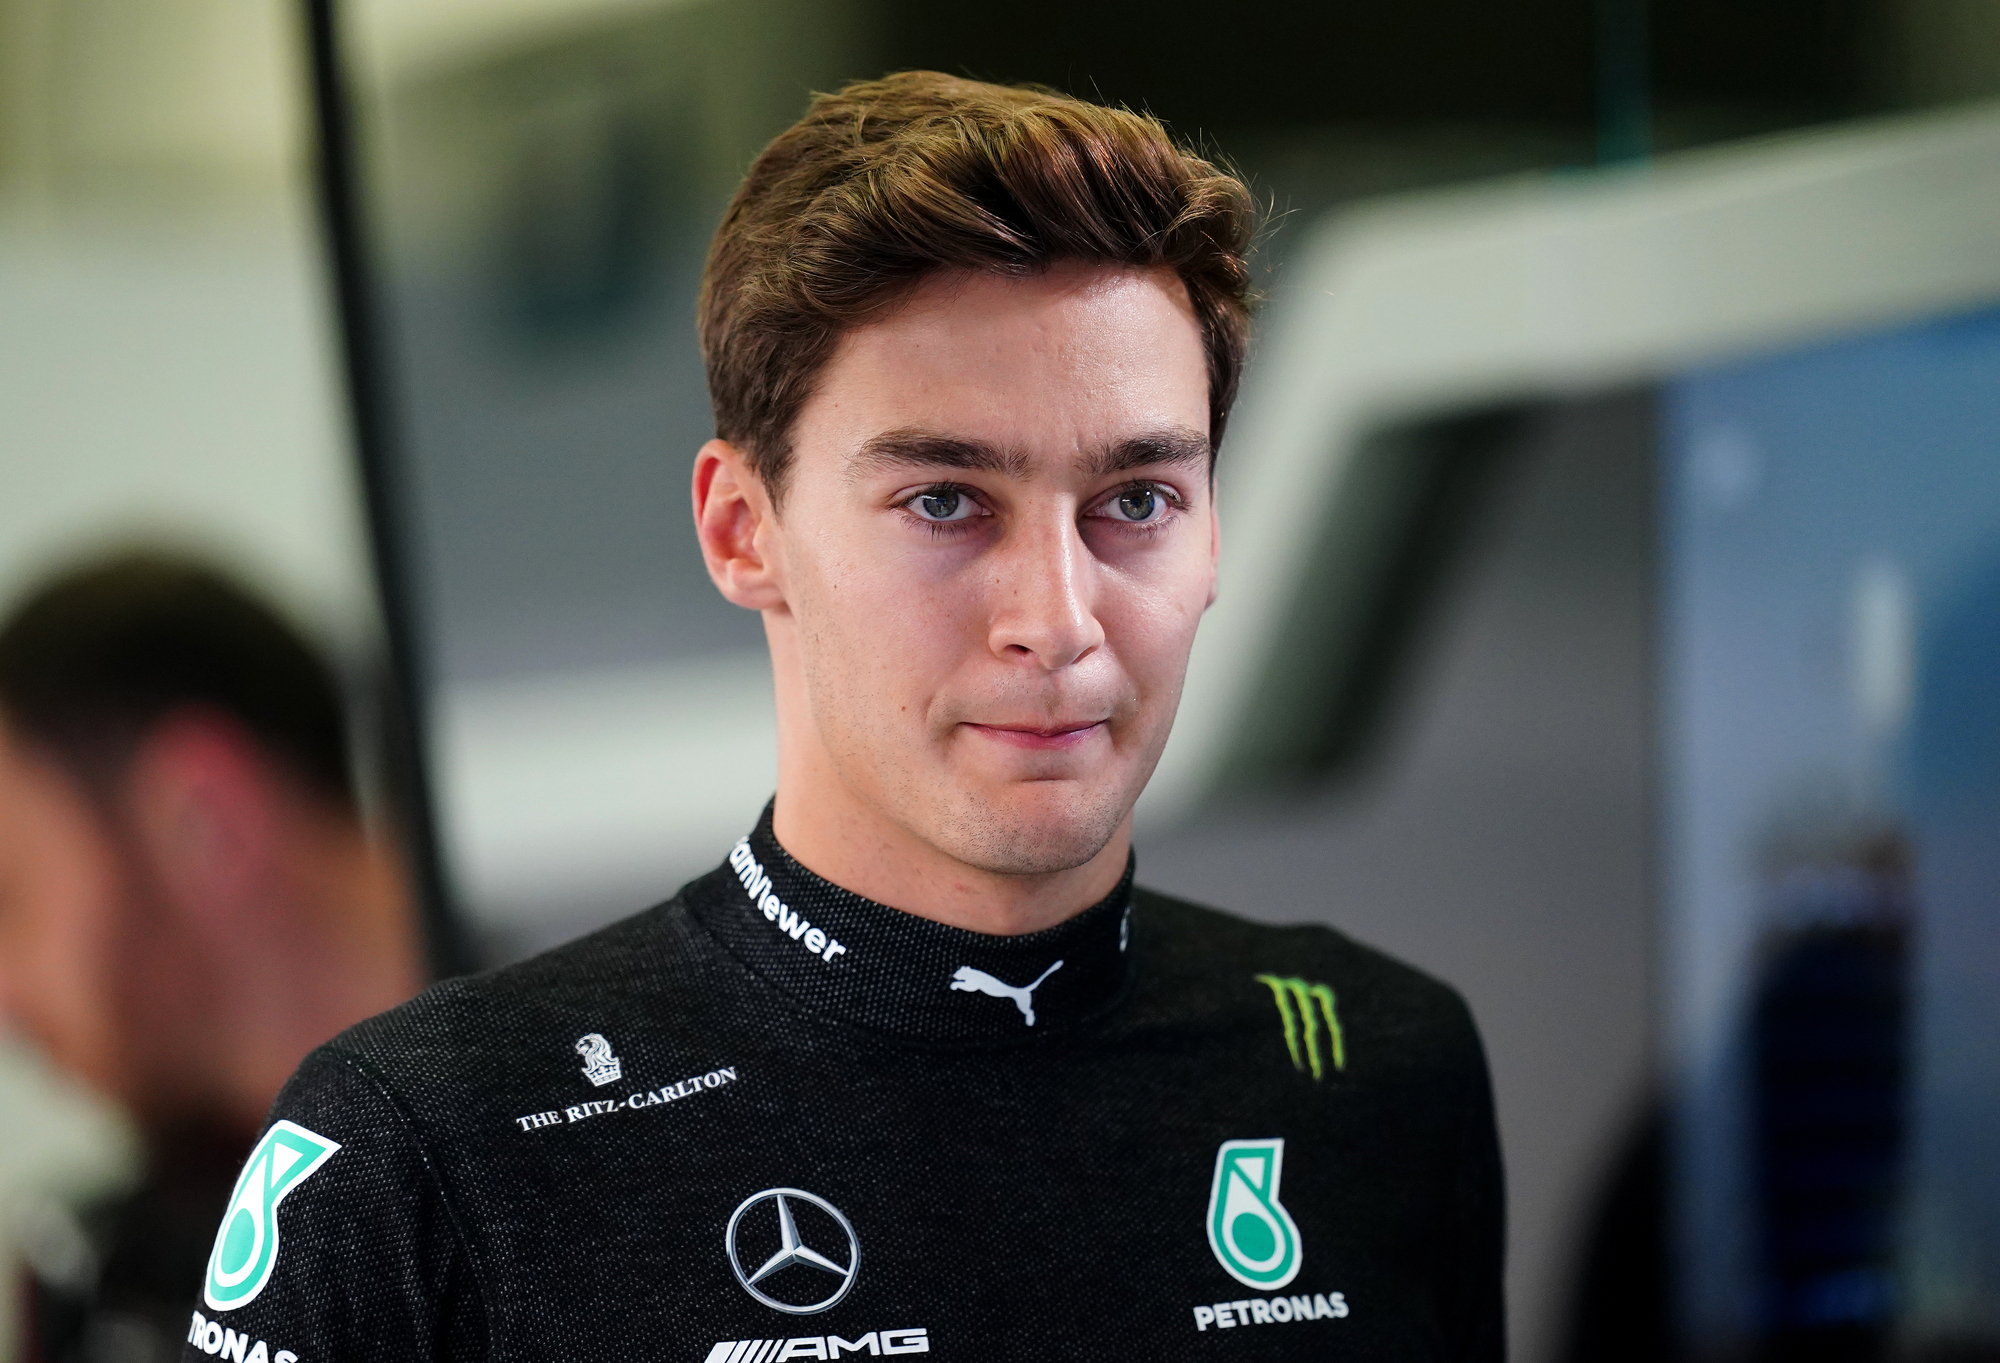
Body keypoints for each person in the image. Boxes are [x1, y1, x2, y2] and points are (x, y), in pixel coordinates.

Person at [181, 72, 1503, 1363]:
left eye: (1137, 500)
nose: (1057, 618)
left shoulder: (1377, 1065)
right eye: (945, 501)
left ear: (1214, 532)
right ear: (740, 529)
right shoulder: (426, 1146)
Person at [0, 552, 423, 1362]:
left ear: (206, 816)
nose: (5, 999)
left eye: (6, 897)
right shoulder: (100, 1282)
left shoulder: (617, 1103)